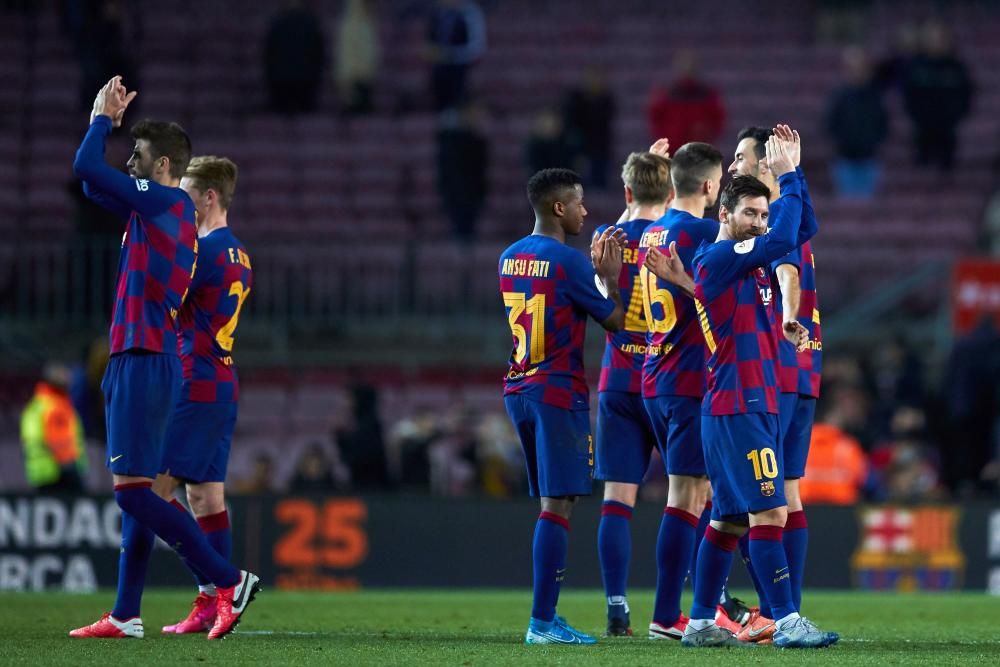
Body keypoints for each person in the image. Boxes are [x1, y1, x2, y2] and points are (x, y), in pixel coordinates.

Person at [69, 77, 258, 641]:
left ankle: (226, 581)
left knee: (140, 492)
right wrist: (109, 139)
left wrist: (102, 118)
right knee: (163, 492)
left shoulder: (168, 203)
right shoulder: (156, 212)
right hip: (147, 357)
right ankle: (128, 614)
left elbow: (86, 167)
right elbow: (92, 186)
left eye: (139, 155)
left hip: (154, 357)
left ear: (167, 165)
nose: (129, 161)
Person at [647, 139, 835, 648]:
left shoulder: (736, 262)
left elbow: (802, 230)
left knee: (728, 521)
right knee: (770, 512)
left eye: (763, 213)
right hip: (739, 405)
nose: (758, 221)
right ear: (724, 212)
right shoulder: (722, 255)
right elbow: (778, 243)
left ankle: (703, 621)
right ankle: (787, 619)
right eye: (749, 212)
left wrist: (796, 183)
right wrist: (790, 176)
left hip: (749, 402)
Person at [500, 168, 625, 644]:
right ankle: (542, 622)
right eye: (578, 203)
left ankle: (545, 618)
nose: (584, 211)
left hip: (520, 386)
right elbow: (613, 320)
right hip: (557, 390)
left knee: (555, 501)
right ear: (558, 208)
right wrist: (609, 279)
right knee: (559, 503)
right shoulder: (569, 262)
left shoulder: (509, 256)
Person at [724, 125, 824, 642]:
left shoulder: (766, 228)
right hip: (803, 371)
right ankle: (786, 610)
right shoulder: (793, 214)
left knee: (750, 500)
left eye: (740, 156)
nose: (732, 164)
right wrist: (795, 174)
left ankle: (767, 610)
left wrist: (787, 318)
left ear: (764, 164)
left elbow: (785, 273)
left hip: (772, 372)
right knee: (786, 493)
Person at [150, 155, 253, 635]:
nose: (180, 198)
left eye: (187, 190)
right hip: (223, 379)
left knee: (151, 492)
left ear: (208, 196)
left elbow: (165, 300)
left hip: (196, 381)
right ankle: (213, 604)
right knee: (206, 497)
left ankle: (222, 584)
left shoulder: (204, 252)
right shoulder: (239, 254)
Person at [638, 142, 728, 641]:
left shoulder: (654, 228)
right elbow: (715, 298)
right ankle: (668, 613)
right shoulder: (701, 232)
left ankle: (688, 606)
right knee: (688, 495)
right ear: (712, 186)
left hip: (656, 373)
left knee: (693, 492)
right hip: (690, 379)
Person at [593, 147, 673, 637]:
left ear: (626, 192)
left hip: (618, 380)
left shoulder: (606, 239)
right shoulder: (679, 237)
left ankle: (617, 607)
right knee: (690, 497)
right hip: (668, 381)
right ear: (671, 191)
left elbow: (602, 305)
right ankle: (700, 602)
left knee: (617, 499)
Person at [901, 22, 974, 171]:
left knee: (947, 170)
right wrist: (917, 115)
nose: (936, 42)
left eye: (940, 38)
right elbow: (908, 94)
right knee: (920, 170)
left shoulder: (956, 67)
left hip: (948, 127)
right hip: (922, 127)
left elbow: (966, 95)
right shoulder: (916, 66)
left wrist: (955, 115)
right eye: (932, 38)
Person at [826, 47, 889, 198]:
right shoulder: (839, 97)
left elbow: (883, 124)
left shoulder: (875, 96)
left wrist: (873, 142)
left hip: (869, 159)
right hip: (845, 159)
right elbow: (831, 123)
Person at [20, 362, 88, 494]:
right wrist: (70, 469)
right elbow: (58, 441)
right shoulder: (56, 406)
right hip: (60, 475)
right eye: (64, 375)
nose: (69, 378)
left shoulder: (38, 404)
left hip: (42, 474)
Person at [646, 51, 726, 150]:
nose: (687, 69)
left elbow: (718, 119)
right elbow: (655, 118)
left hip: (699, 150)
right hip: (675, 149)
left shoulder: (706, 94)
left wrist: (707, 135)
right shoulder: (668, 94)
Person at [264, 0, 326, 114]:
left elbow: (318, 54)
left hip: (302, 84)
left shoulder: (310, 24)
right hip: (284, 84)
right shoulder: (278, 24)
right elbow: (269, 55)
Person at [425, 0, 486, 112]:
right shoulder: (439, 13)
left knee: (459, 105)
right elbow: (431, 40)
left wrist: (448, 54)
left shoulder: (471, 13)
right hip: (440, 71)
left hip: (462, 71)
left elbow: (476, 49)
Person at [562, 67, 616, 189]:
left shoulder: (606, 99)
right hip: (581, 148)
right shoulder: (576, 100)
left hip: (601, 148)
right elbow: (572, 124)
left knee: (600, 185)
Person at [334, 0, 380, 115]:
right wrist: (345, 83)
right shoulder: (349, 26)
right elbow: (345, 57)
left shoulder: (367, 24)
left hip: (367, 78)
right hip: (353, 79)